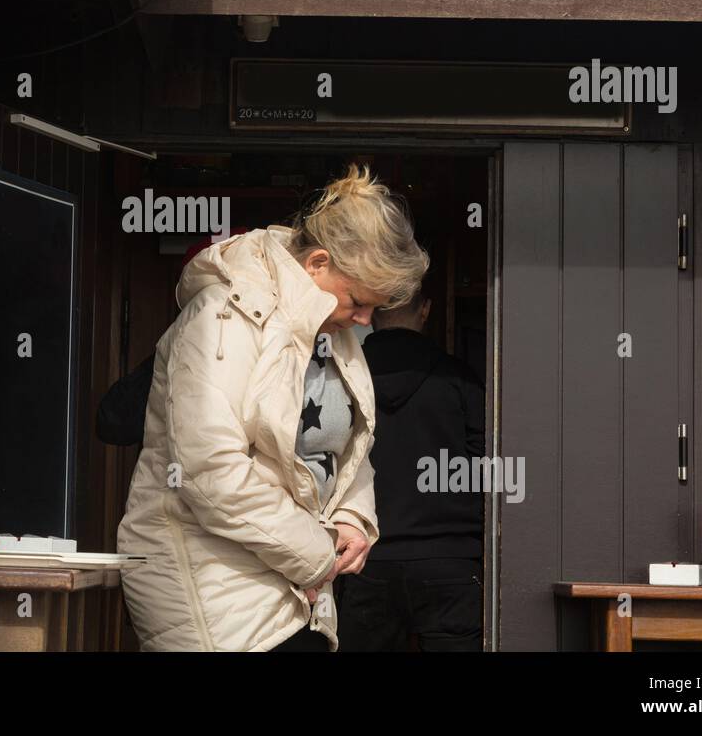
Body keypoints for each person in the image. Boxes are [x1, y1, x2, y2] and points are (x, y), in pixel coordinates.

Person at [116, 165, 429, 651]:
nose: (366, 320)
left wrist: (352, 516)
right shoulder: (222, 316)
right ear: (318, 264)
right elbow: (207, 470)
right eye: (359, 301)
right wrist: (316, 557)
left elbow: (350, 449)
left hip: (293, 587)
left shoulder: (331, 326)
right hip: (211, 586)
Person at [336, 292, 485, 651]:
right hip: (450, 561)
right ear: (426, 308)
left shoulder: (343, 379)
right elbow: (484, 466)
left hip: (364, 558)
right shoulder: (459, 377)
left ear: (371, 315)